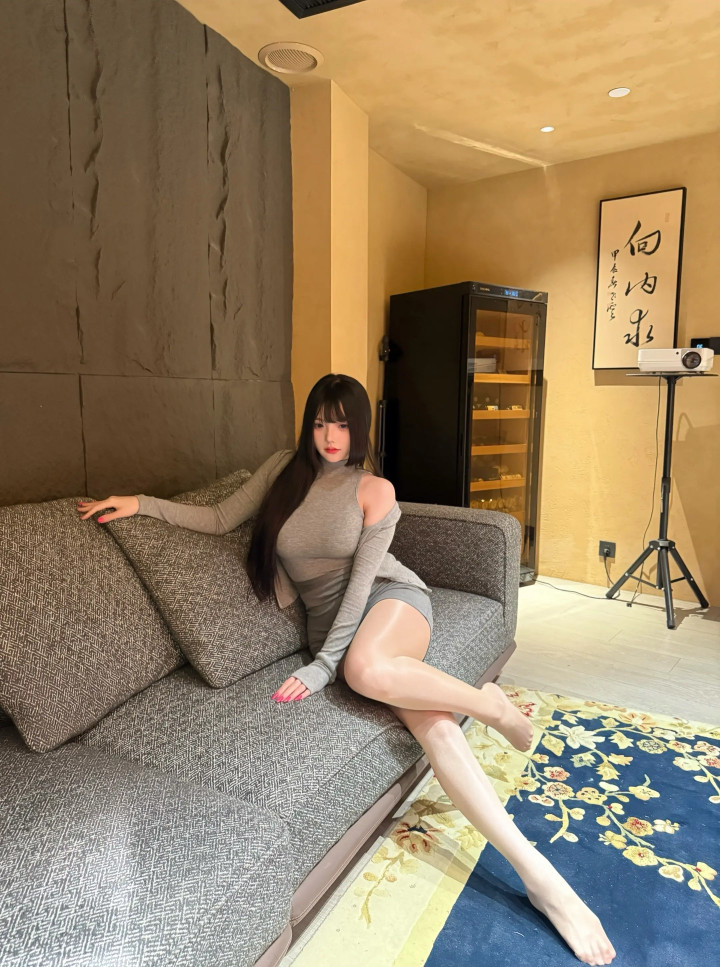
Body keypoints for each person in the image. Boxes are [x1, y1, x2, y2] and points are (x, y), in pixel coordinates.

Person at [77, 373, 616, 966]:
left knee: (366, 669)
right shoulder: (283, 470)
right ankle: (538, 872)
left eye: (342, 424)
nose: (330, 436)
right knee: (434, 727)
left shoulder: (375, 491)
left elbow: (360, 587)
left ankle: (493, 719)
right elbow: (219, 518)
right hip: (330, 628)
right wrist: (141, 505)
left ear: (361, 428)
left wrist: (326, 666)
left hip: (391, 603)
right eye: (319, 422)